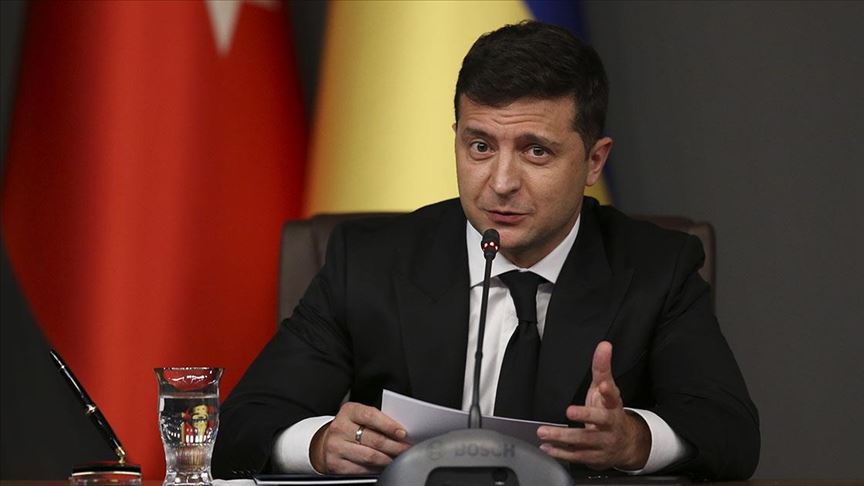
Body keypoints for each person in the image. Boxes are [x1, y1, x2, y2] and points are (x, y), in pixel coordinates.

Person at [212, 21, 759, 480]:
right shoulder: (370, 262)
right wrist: (318, 445)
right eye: (479, 146)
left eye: (536, 151)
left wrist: (634, 439)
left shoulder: (657, 268)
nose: (500, 183)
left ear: (594, 161)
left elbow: (730, 432)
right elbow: (242, 424)